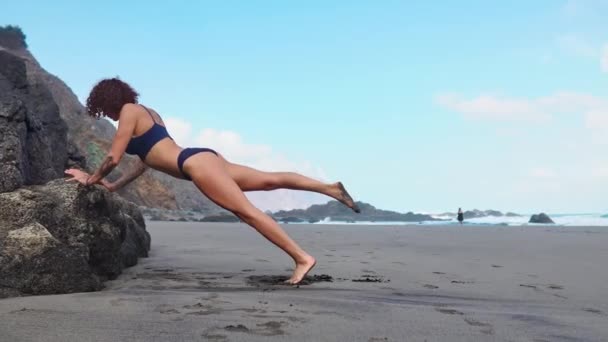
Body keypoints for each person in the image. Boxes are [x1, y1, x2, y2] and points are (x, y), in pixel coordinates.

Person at [64, 78, 360, 285]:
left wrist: (90, 179)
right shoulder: (148, 112)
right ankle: (329, 188)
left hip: (196, 166)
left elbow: (113, 158)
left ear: (109, 100)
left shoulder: (129, 112)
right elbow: (146, 161)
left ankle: (302, 258)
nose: (108, 114)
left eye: (105, 107)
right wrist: (114, 186)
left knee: (247, 212)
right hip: (203, 157)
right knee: (270, 180)